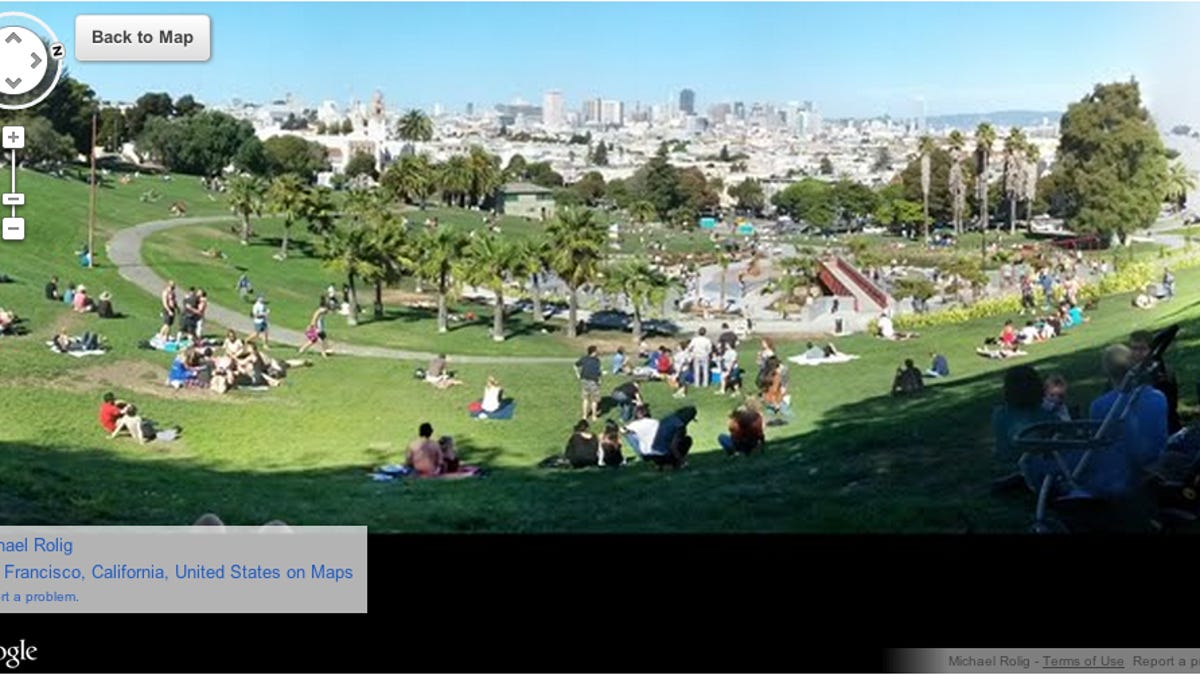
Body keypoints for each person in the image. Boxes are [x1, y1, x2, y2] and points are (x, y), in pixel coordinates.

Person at [1079, 344, 1167, 503]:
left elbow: (1101, 446)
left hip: (1126, 475)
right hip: (1158, 463)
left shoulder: (1099, 406)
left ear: (1106, 372)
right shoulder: (1158, 396)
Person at [1129, 330, 1181, 435]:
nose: (1138, 353)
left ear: (1151, 350)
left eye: (1142, 349)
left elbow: (1166, 407)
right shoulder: (1128, 373)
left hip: (1166, 428)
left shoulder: (1163, 372)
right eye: (1134, 349)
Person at [574, 345, 603, 421]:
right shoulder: (597, 360)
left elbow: (575, 365)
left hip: (584, 381)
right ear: (593, 352)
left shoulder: (584, 358)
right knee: (594, 400)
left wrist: (578, 375)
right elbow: (598, 371)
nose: (597, 352)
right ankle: (593, 416)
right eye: (596, 351)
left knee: (585, 399)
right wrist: (600, 380)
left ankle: (584, 416)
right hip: (593, 382)